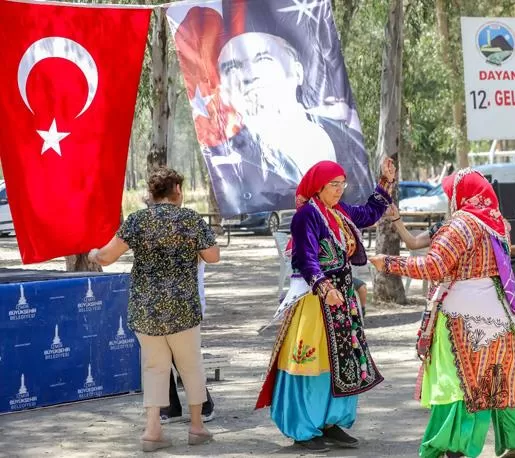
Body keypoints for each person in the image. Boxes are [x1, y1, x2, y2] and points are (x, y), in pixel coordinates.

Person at [369, 169, 515, 458]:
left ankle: (455, 446)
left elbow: (433, 268)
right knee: (505, 375)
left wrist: (388, 263)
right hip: (499, 313)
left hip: (462, 316)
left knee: (460, 382)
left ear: (459, 194)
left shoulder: (461, 225)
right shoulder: (497, 222)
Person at [255, 159, 395, 452]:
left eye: (342, 183)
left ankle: (330, 423)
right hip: (315, 301)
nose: (340, 189)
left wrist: (384, 182)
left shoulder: (339, 211)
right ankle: (304, 428)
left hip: (341, 301)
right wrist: (323, 287)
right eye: (334, 184)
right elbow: (305, 258)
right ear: (319, 186)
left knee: (340, 361)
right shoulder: (308, 215)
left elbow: (369, 213)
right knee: (310, 362)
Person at [88, 167, 220, 452]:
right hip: (183, 307)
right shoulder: (190, 219)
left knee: (153, 368)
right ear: (176, 190)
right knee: (191, 366)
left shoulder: (137, 220)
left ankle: (152, 431)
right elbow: (213, 256)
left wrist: (93, 254)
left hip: (145, 308)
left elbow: (108, 257)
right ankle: (197, 427)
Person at [208, 32, 373, 215]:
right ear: (223, 91)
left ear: (297, 72)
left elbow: (360, 198)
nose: (249, 76)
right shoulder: (225, 160)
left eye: (263, 60)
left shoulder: (346, 140)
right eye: (232, 68)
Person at [160, 259, 215, 424]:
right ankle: (168, 406)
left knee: (184, 357)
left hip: (186, 304)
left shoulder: (192, 234)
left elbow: (211, 254)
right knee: (161, 355)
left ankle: (204, 404)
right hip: (157, 302)